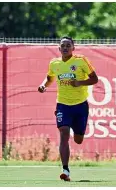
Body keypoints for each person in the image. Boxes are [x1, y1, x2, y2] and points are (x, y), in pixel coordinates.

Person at [38, 37, 98, 181]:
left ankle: (78, 133)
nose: (65, 48)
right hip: (63, 105)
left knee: (78, 140)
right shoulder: (54, 63)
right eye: (62, 46)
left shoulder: (81, 61)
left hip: (80, 105)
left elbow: (95, 79)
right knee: (64, 133)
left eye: (68, 45)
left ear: (73, 48)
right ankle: (65, 170)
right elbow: (49, 78)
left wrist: (79, 82)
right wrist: (43, 85)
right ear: (59, 49)